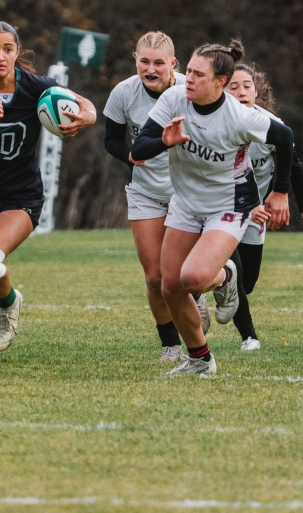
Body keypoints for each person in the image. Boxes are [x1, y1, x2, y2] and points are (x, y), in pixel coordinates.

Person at [130, 39, 294, 376]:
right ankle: (201, 359)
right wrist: (164, 141)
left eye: (198, 74)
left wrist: (280, 193)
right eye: (187, 70)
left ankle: (227, 276)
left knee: (192, 278)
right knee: (170, 286)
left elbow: (286, 137)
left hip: (230, 204)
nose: (187, 79)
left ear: (220, 82)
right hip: (187, 202)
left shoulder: (238, 116)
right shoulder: (174, 98)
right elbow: (139, 148)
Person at [0, 22, 97, 377]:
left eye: (8, 48)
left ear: (18, 52)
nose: (1, 55)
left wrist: (86, 117)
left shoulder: (36, 86)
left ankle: (10, 300)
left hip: (21, 197)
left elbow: (84, 103)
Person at [103, 31, 210, 363]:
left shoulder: (187, 93)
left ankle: (196, 298)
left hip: (186, 191)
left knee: (185, 275)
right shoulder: (123, 92)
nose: (150, 69)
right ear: (135, 60)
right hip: (145, 191)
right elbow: (111, 140)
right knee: (155, 277)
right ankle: (170, 345)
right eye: (144, 61)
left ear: (173, 64)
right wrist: (130, 156)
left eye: (158, 63)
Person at [225, 63, 303, 351]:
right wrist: (247, 203)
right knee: (235, 272)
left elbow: (295, 170)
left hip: (256, 215)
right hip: (222, 209)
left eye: (247, 86)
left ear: (257, 91)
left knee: (248, 282)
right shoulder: (215, 125)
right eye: (234, 86)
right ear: (221, 89)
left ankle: (208, 286)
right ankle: (249, 337)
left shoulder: (272, 128)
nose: (241, 92)